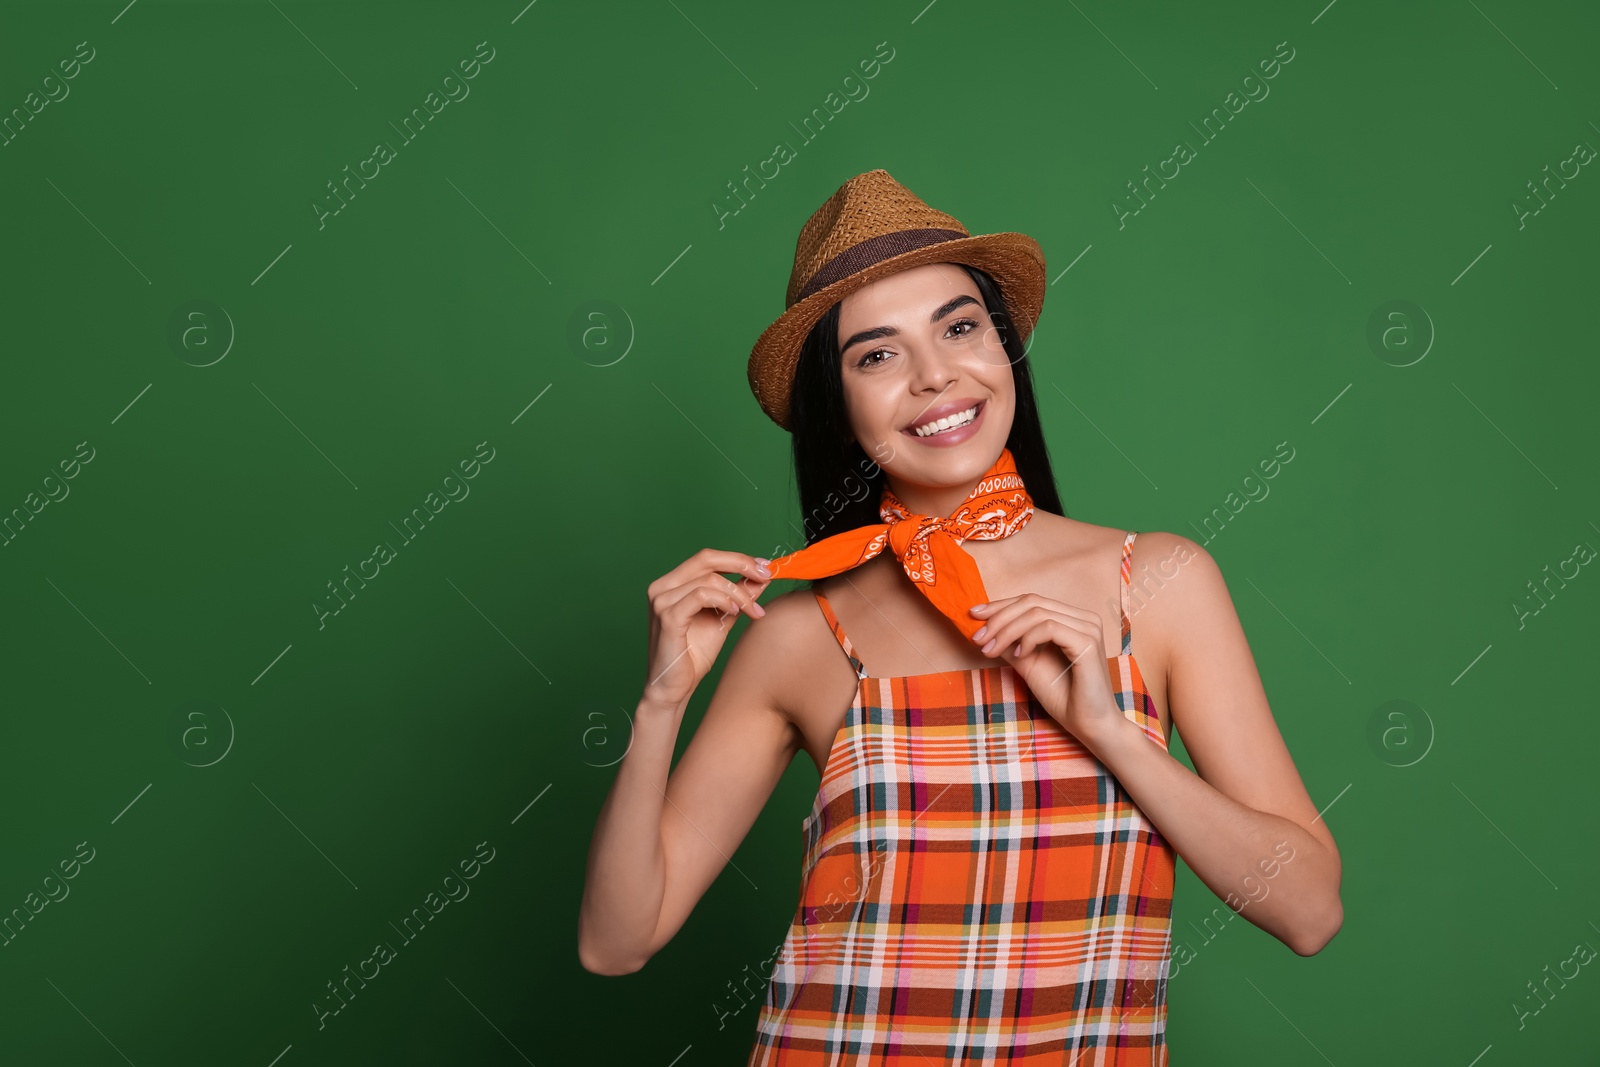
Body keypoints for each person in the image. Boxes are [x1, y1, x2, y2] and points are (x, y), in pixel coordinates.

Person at [578, 169, 1343, 1063]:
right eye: (877, 354)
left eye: (960, 327)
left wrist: (1112, 732)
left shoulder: (1161, 582)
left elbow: (1309, 910)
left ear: (1003, 345)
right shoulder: (796, 637)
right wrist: (659, 704)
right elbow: (616, 941)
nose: (936, 375)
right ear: (838, 401)